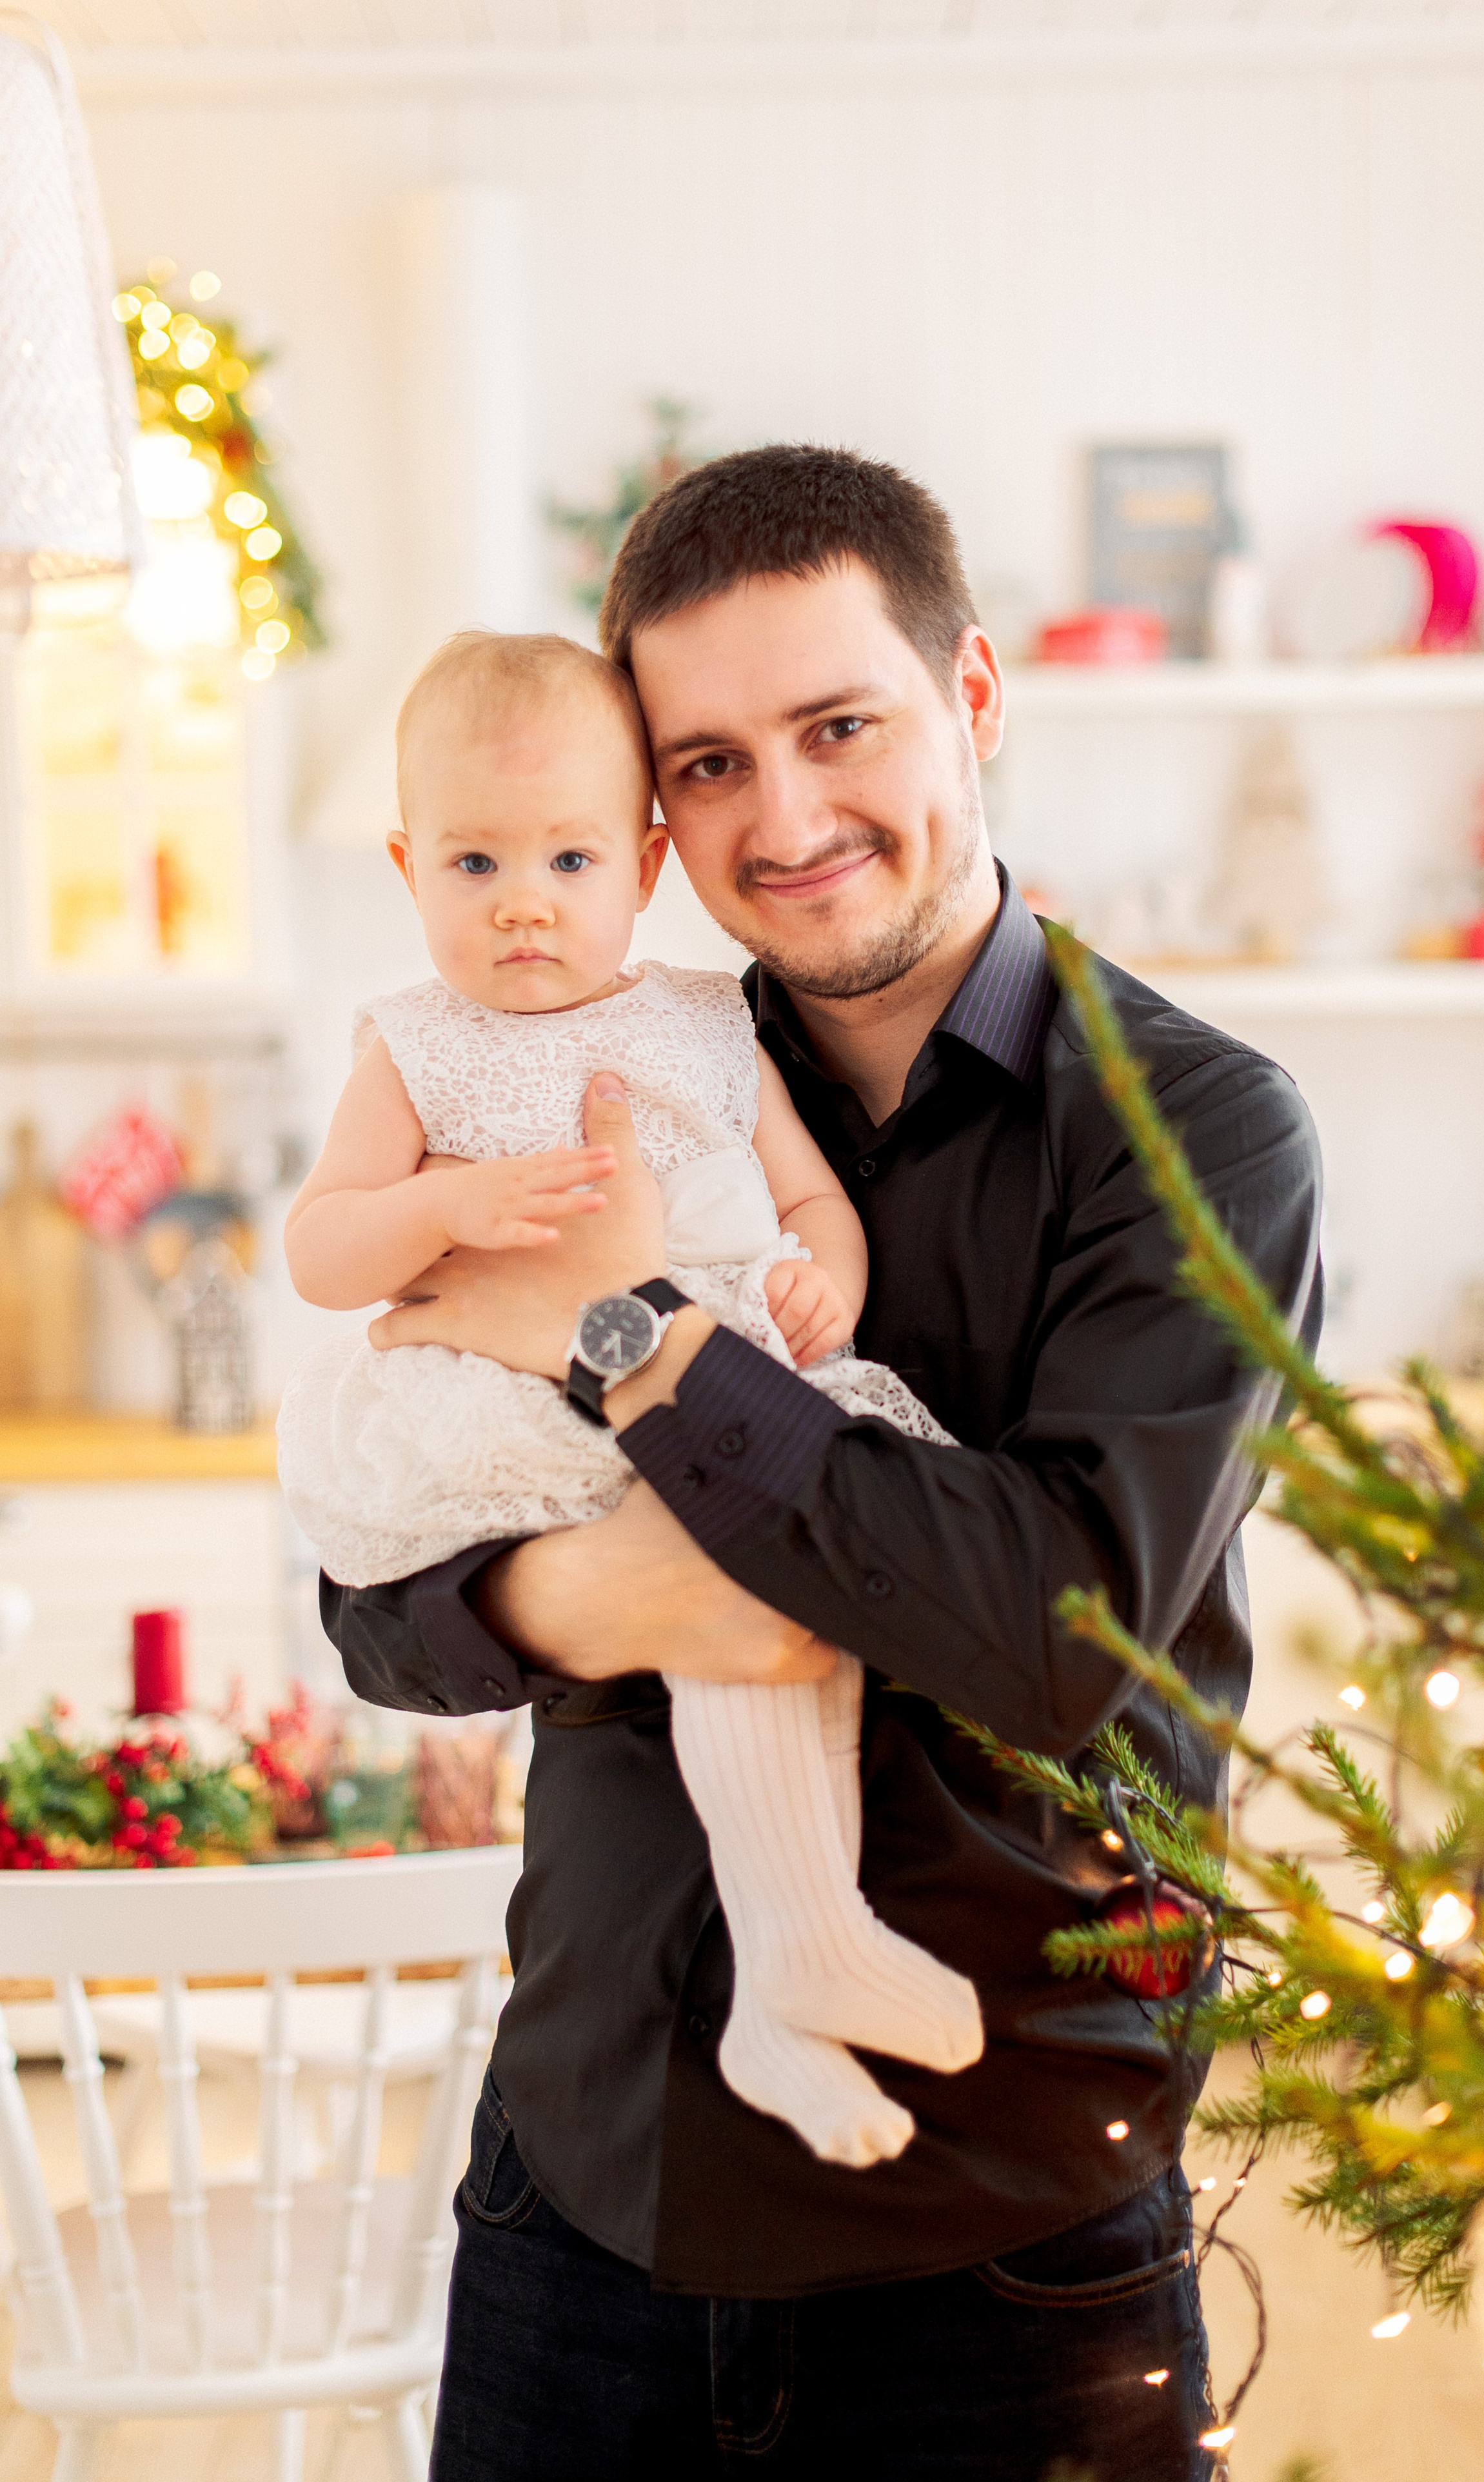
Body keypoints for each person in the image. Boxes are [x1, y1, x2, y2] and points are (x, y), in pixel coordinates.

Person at [322, 444, 1323, 2480]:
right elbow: (377, 1610)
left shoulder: (1197, 1135)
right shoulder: (610, 1071)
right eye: (705, 763)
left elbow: (1058, 1640)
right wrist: (591, 1588)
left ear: (970, 698)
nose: (782, 819)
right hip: (584, 2182)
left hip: (1001, 2236)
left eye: (839, 726)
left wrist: (625, 1336)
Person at [279, 628, 982, 2170]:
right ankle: (798, 1952)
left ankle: (799, 1957)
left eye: (569, 856)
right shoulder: (417, 1043)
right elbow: (324, 1245)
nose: (521, 898)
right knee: (720, 1606)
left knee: (801, 1615)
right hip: (521, 1410)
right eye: (471, 860)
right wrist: (445, 1210)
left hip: (720, 1367)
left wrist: (822, 1286)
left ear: (646, 863)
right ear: (407, 867)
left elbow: (806, 1199)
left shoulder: (701, 1020)